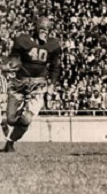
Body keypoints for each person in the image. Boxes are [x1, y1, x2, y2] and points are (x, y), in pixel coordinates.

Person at [1, 17, 62, 152]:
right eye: (42, 29)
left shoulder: (54, 45)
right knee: (11, 119)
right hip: (19, 82)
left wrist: (52, 83)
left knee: (27, 119)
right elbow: (13, 58)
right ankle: (7, 123)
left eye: (47, 30)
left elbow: (55, 67)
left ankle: (10, 143)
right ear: (36, 28)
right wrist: (10, 65)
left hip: (38, 84)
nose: (45, 32)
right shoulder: (23, 40)